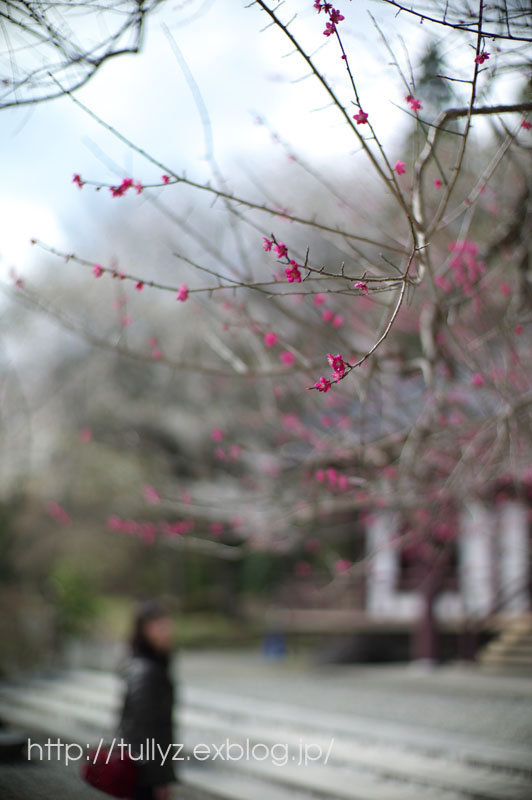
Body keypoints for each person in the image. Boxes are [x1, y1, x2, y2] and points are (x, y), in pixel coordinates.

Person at [117, 598, 177, 800]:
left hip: (143, 770)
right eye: (159, 625)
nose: (167, 630)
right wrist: (158, 780)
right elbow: (144, 729)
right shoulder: (145, 671)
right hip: (144, 774)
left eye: (167, 624)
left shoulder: (152, 664)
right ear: (144, 629)